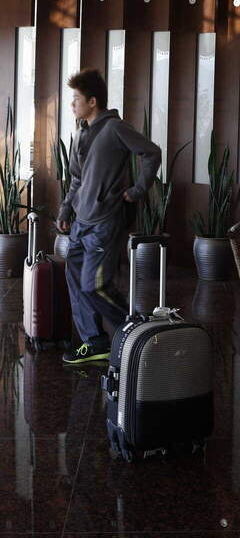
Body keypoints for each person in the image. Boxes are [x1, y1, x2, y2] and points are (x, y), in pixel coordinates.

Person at [57, 69, 161, 365]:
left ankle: (134, 329)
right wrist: (66, 209)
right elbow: (76, 179)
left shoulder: (115, 128)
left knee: (95, 285)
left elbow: (152, 152)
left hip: (104, 222)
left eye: (76, 99)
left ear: (92, 101)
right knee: (76, 281)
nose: (72, 104)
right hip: (80, 222)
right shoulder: (81, 131)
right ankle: (95, 342)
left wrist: (138, 190)